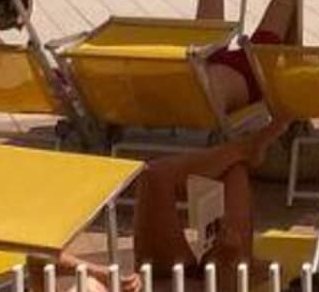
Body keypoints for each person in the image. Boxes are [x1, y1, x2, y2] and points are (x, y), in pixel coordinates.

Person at [125, 117, 295, 282]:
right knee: (153, 175)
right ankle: (243, 149)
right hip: (178, 273)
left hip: (177, 271)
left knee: (154, 174)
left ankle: (242, 149)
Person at [199, 0, 299, 113]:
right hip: (251, 72)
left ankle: (289, 82)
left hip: (205, 60)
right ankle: (291, 91)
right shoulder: (207, 106)